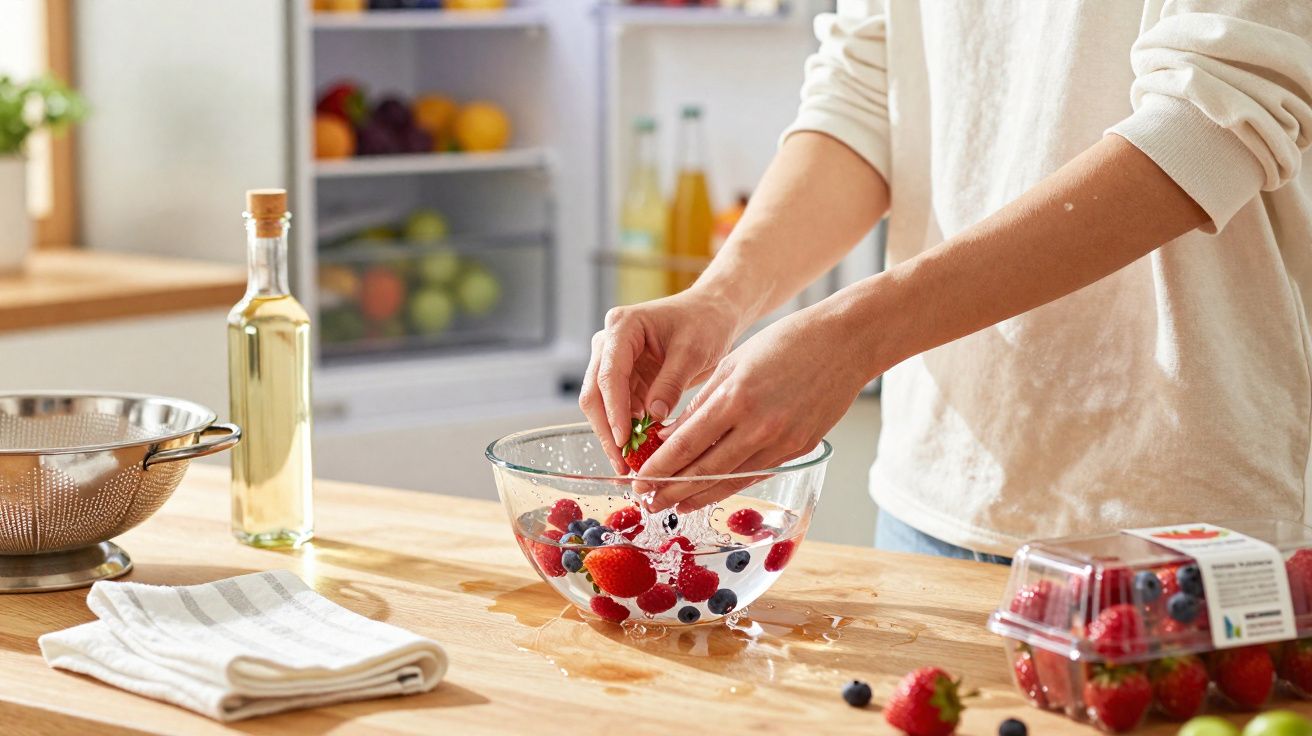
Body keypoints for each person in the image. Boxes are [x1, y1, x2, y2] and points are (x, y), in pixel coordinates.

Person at [579, 1, 1312, 562]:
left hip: (1174, 507)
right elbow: (871, 91)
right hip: (930, 493)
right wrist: (717, 297)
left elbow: (1213, 120)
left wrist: (854, 336)